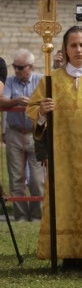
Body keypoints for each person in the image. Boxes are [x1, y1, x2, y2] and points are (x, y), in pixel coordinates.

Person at [26, 26, 82, 269]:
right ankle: (64, 252)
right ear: (65, 48)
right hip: (61, 154)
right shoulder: (51, 80)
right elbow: (33, 110)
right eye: (73, 45)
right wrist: (42, 112)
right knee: (62, 201)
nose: (78, 50)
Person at [0, 49, 44, 221]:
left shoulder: (40, 80)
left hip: (35, 133)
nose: (17, 70)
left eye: (20, 67)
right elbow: (2, 100)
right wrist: (16, 101)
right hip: (15, 132)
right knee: (16, 176)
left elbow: (47, 100)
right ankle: (20, 216)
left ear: (30, 67)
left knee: (37, 178)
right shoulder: (10, 80)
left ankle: (36, 216)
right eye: (15, 67)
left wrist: (32, 103)